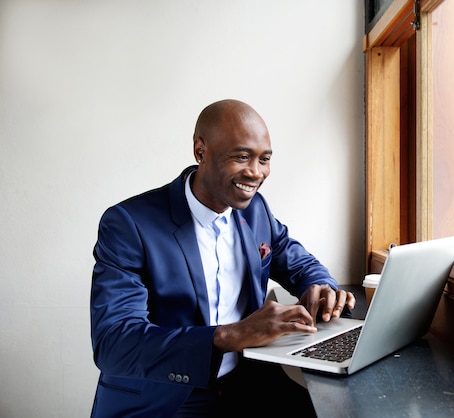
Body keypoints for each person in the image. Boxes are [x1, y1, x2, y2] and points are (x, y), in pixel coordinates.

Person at [90, 99, 356, 417]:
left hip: (247, 385)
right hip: (164, 397)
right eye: (242, 157)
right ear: (200, 151)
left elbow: (296, 259)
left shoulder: (256, 210)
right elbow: (115, 342)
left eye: (264, 160)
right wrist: (230, 335)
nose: (255, 173)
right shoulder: (129, 224)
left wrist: (319, 285)